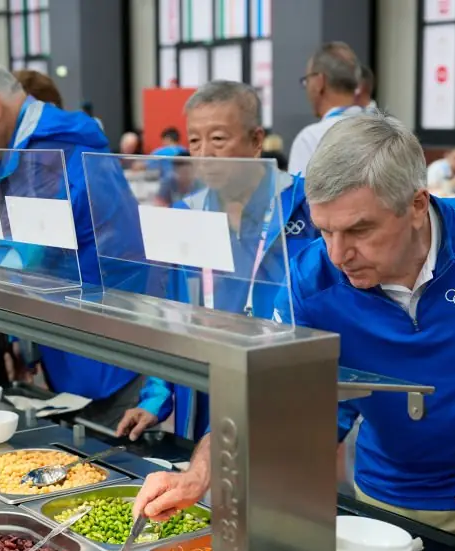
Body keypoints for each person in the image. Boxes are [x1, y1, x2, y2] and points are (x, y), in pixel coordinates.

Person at [134, 113, 455, 551]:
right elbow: (263, 389)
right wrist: (200, 473)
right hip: (383, 497)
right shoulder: (309, 279)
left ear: (417, 205)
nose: (338, 254)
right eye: (325, 231)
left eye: (358, 231)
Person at [0, 50, 143, 428]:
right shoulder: (28, 149)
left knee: (106, 460)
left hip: (103, 345)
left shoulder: (47, 153)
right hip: (77, 335)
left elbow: (26, 256)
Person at [116, 81, 317, 444]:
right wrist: (156, 397)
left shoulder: (305, 207)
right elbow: (170, 315)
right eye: (195, 141)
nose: (205, 153)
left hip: (283, 387)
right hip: (206, 389)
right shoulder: (186, 214)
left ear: (256, 141)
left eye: (219, 139)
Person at [288, 42, 364, 176]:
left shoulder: (310, 139)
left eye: (307, 80)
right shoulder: (386, 131)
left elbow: (297, 196)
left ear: (319, 82)